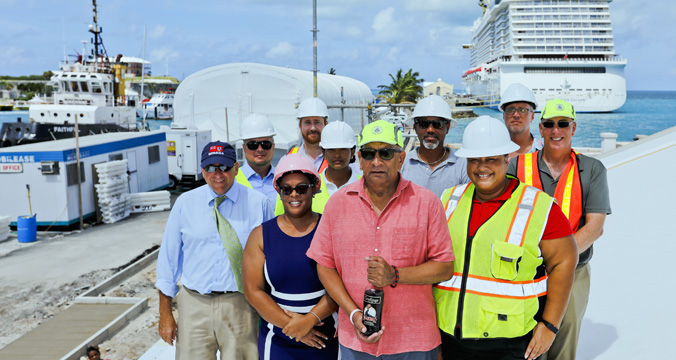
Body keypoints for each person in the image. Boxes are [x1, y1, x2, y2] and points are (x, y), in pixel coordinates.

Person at [306, 120, 455, 359]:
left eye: (386, 153)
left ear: (401, 158)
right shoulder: (337, 203)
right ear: (360, 159)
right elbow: (324, 265)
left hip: (412, 339)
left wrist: (394, 275)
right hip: (355, 339)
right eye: (368, 153)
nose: (376, 162)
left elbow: (444, 267)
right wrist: (354, 314)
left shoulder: (427, 203)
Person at [434, 116, 578, 360]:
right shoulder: (448, 200)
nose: (482, 167)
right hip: (450, 338)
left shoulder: (539, 207)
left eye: (491, 159)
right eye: (474, 160)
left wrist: (550, 326)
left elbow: (564, 262)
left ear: (506, 158)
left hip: (511, 344)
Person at [512, 99, 611, 360]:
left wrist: (561, 258)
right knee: (525, 347)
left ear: (573, 128)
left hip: (573, 272)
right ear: (540, 128)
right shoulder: (516, 166)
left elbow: (595, 227)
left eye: (563, 124)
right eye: (549, 124)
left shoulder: (592, 169)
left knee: (562, 347)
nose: (556, 130)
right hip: (524, 273)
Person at [156, 141, 274, 360]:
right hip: (194, 304)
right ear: (202, 170)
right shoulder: (185, 204)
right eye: (210, 168)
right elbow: (168, 261)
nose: (217, 174)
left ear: (236, 168)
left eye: (224, 167)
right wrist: (165, 314)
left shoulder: (259, 204)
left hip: (241, 305)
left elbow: (272, 260)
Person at [243, 153, 339, 360]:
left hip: (322, 337)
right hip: (278, 339)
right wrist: (295, 328)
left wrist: (309, 321)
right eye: (287, 189)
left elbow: (341, 287)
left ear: (314, 188)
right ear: (279, 191)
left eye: (301, 188)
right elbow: (253, 292)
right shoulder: (260, 236)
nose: (294, 194)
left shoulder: (331, 230)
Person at [400, 95, 468, 197]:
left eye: (437, 124)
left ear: (447, 128)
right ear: (415, 128)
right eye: (424, 124)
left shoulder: (463, 166)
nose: (430, 130)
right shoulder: (402, 164)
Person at [501, 84, 544, 176]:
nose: (516, 115)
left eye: (523, 110)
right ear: (503, 115)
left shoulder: (545, 152)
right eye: (510, 110)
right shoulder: (492, 151)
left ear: (532, 116)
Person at [236, 114, 278, 202]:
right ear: (244, 148)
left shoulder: (284, 178)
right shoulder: (232, 180)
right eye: (253, 145)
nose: (260, 149)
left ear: (273, 147)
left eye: (265, 144)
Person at [319, 120, 362, 197]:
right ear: (323, 153)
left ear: (352, 152)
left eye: (343, 149)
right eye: (331, 150)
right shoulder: (313, 185)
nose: (337, 155)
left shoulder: (364, 185)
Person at [288, 97, 329, 173]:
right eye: (307, 122)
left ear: (325, 124)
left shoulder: (336, 159)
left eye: (317, 122)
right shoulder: (288, 159)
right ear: (300, 125)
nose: (313, 128)